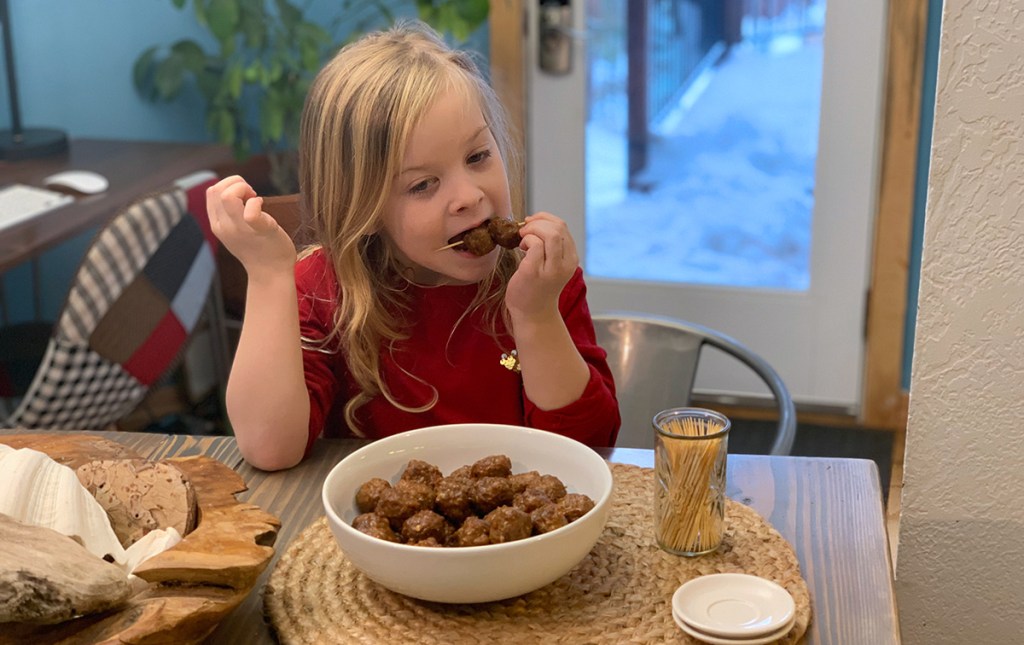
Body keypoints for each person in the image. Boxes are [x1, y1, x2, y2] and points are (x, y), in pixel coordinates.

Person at [207, 20, 620, 471]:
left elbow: (589, 448)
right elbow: (270, 449)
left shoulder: (540, 277)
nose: (469, 197)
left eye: (478, 156)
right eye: (423, 184)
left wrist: (536, 315)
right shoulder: (323, 290)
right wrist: (269, 276)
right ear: (361, 204)